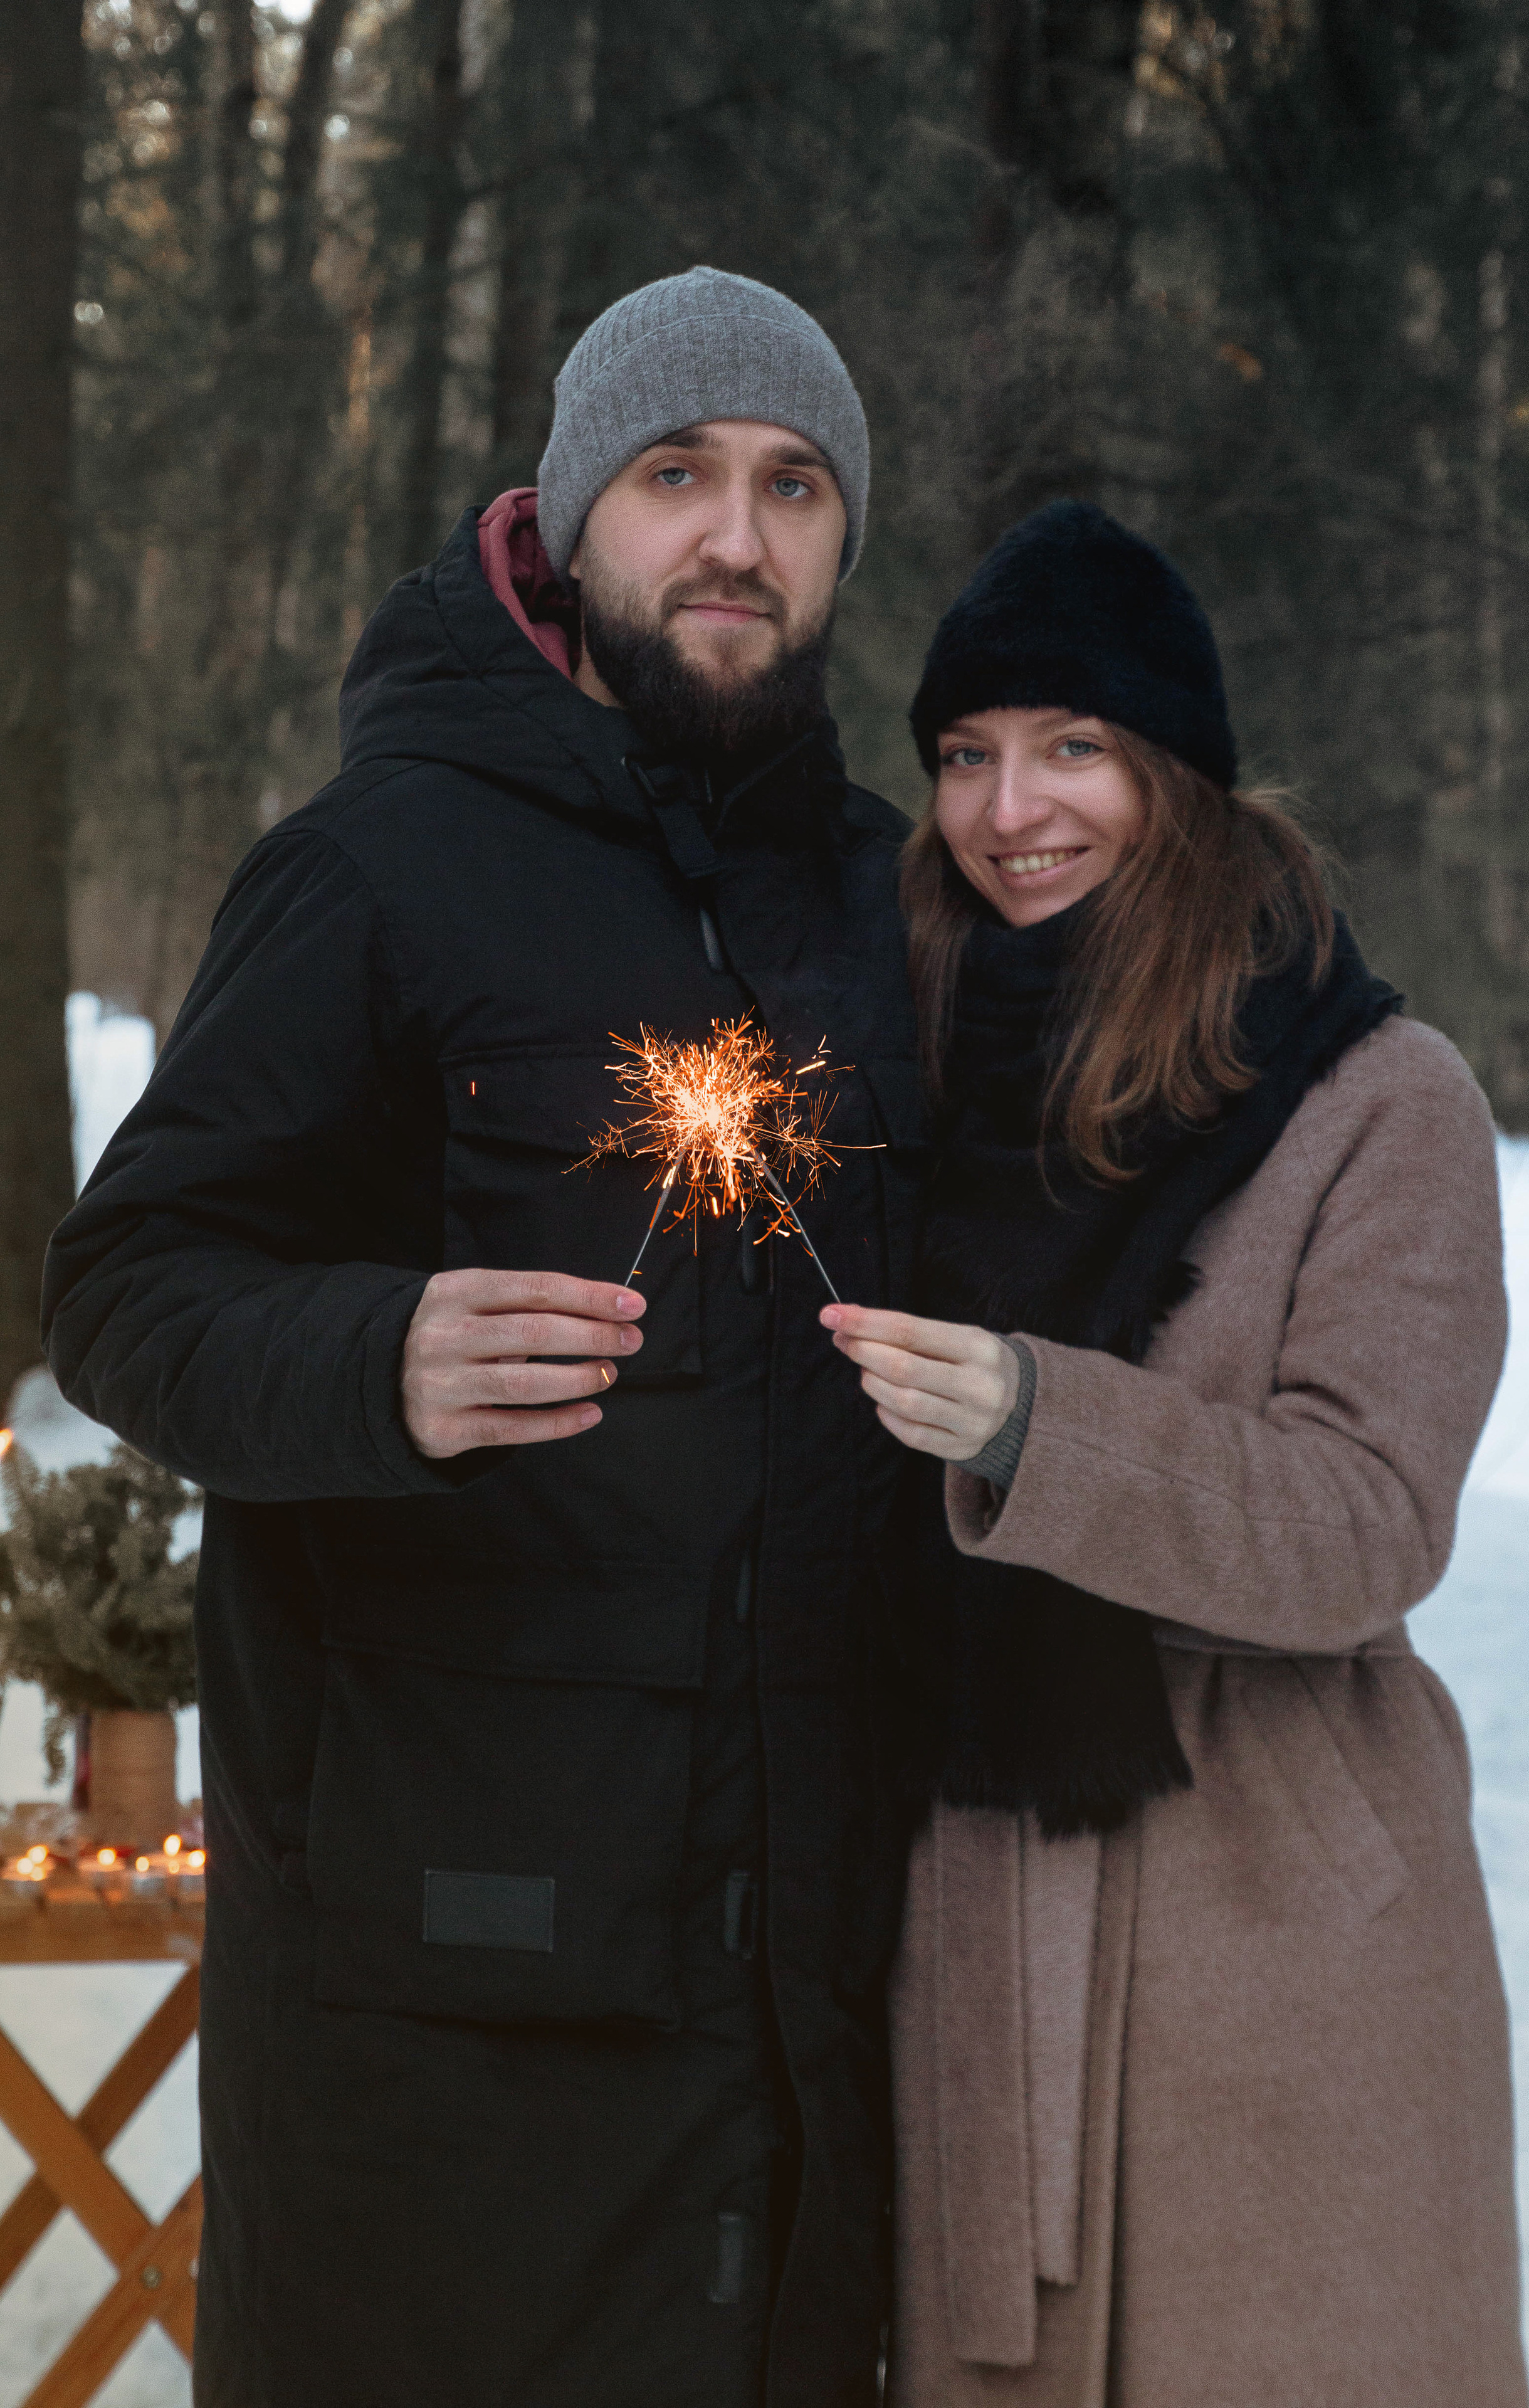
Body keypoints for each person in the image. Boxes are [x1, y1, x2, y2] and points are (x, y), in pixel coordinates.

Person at [43, 267, 923, 2408]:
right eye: (678, 474)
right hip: (449, 2025)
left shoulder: (884, 906)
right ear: (568, 512)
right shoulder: (378, 866)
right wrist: (376, 1359)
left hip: (802, 2014)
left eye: (794, 486)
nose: (737, 536)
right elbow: (128, 1286)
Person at [823, 502, 1529, 2407]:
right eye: (964, 754)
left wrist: (1042, 1427)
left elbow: (1369, 1520)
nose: (1009, 810)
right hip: (963, 1906)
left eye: (1074, 747)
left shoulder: (1381, 1097)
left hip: (1274, 1936)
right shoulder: (892, 1068)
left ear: (1178, 775)